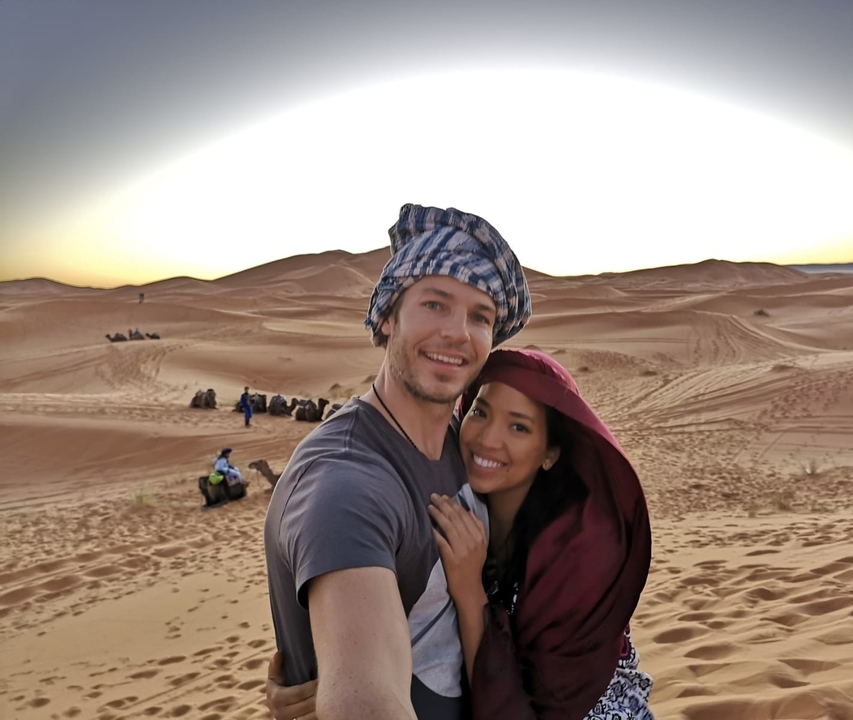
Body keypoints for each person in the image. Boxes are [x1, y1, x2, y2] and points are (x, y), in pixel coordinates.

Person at [266, 349, 655, 720]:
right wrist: (333, 688)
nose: (487, 438)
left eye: (518, 426)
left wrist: (470, 593)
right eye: (480, 412)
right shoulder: (466, 499)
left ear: (550, 453)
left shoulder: (578, 553)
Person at [262, 203, 531, 720]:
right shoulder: (343, 486)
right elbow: (365, 693)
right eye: (435, 304)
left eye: (481, 316)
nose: (458, 332)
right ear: (386, 316)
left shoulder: (467, 444)